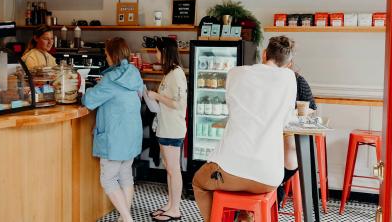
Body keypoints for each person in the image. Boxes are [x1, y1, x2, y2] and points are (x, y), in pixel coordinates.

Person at [192, 36, 298, 222]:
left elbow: (233, 108)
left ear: (264, 54)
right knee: (246, 190)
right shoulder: (289, 79)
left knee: (198, 183)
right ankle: (244, 215)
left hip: (230, 170)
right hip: (269, 177)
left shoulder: (235, 73)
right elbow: (286, 121)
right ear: (288, 63)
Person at [82, 37, 144, 222]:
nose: (106, 57)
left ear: (112, 55)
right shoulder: (133, 72)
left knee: (108, 180)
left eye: (107, 54)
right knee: (125, 175)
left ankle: (127, 219)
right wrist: (105, 84)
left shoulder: (110, 78)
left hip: (115, 137)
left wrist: (97, 86)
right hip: (132, 133)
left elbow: (89, 100)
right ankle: (124, 218)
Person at [147, 37, 187, 222]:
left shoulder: (177, 74)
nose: (155, 54)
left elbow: (179, 104)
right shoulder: (169, 73)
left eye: (157, 50)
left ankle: (175, 209)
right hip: (165, 127)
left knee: (173, 170)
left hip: (172, 129)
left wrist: (156, 95)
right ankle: (170, 205)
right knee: (170, 169)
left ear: (165, 52)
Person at [278, 64, 318, 205]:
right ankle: (274, 186)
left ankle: (276, 184)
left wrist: (295, 113)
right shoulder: (269, 81)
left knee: (289, 145)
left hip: (290, 133)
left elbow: (312, 108)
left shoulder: (298, 81)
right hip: (272, 134)